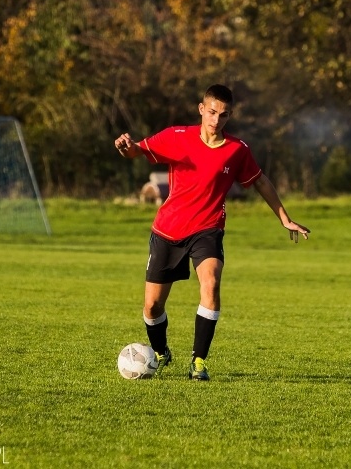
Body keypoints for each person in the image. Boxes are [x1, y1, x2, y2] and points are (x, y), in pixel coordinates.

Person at [115, 84, 310, 381]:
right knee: (152, 307)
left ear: (230, 115)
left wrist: (285, 218)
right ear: (201, 109)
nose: (217, 120)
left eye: (224, 114)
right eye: (212, 112)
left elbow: (260, 181)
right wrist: (125, 146)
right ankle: (161, 351)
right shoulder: (176, 136)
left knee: (211, 284)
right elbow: (137, 151)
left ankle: (198, 362)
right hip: (167, 230)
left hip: (208, 229)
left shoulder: (237, 150)